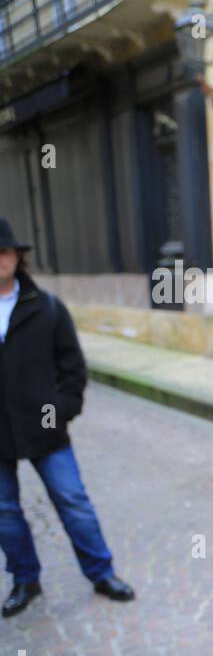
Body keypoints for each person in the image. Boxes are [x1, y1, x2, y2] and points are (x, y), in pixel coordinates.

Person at [0, 219, 135, 618]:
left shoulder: (46, 308)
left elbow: (72, 368)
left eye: (4, 252)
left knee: (73, 501)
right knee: (5, 511)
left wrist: (60, 412)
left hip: (44, 427)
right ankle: (25, 578)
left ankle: (101, 572)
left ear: (17, 257)